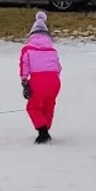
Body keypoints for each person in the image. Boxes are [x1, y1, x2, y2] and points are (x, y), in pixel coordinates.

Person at [19, 11, 62, 144]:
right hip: (54, 81)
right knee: (49, 105)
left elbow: (24, 64)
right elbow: (58, 67)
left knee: (33, 107)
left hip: (38, 80)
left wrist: (24, 79)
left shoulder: (28, 49)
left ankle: (42, 131)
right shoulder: (52, 50)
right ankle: (46, 127)